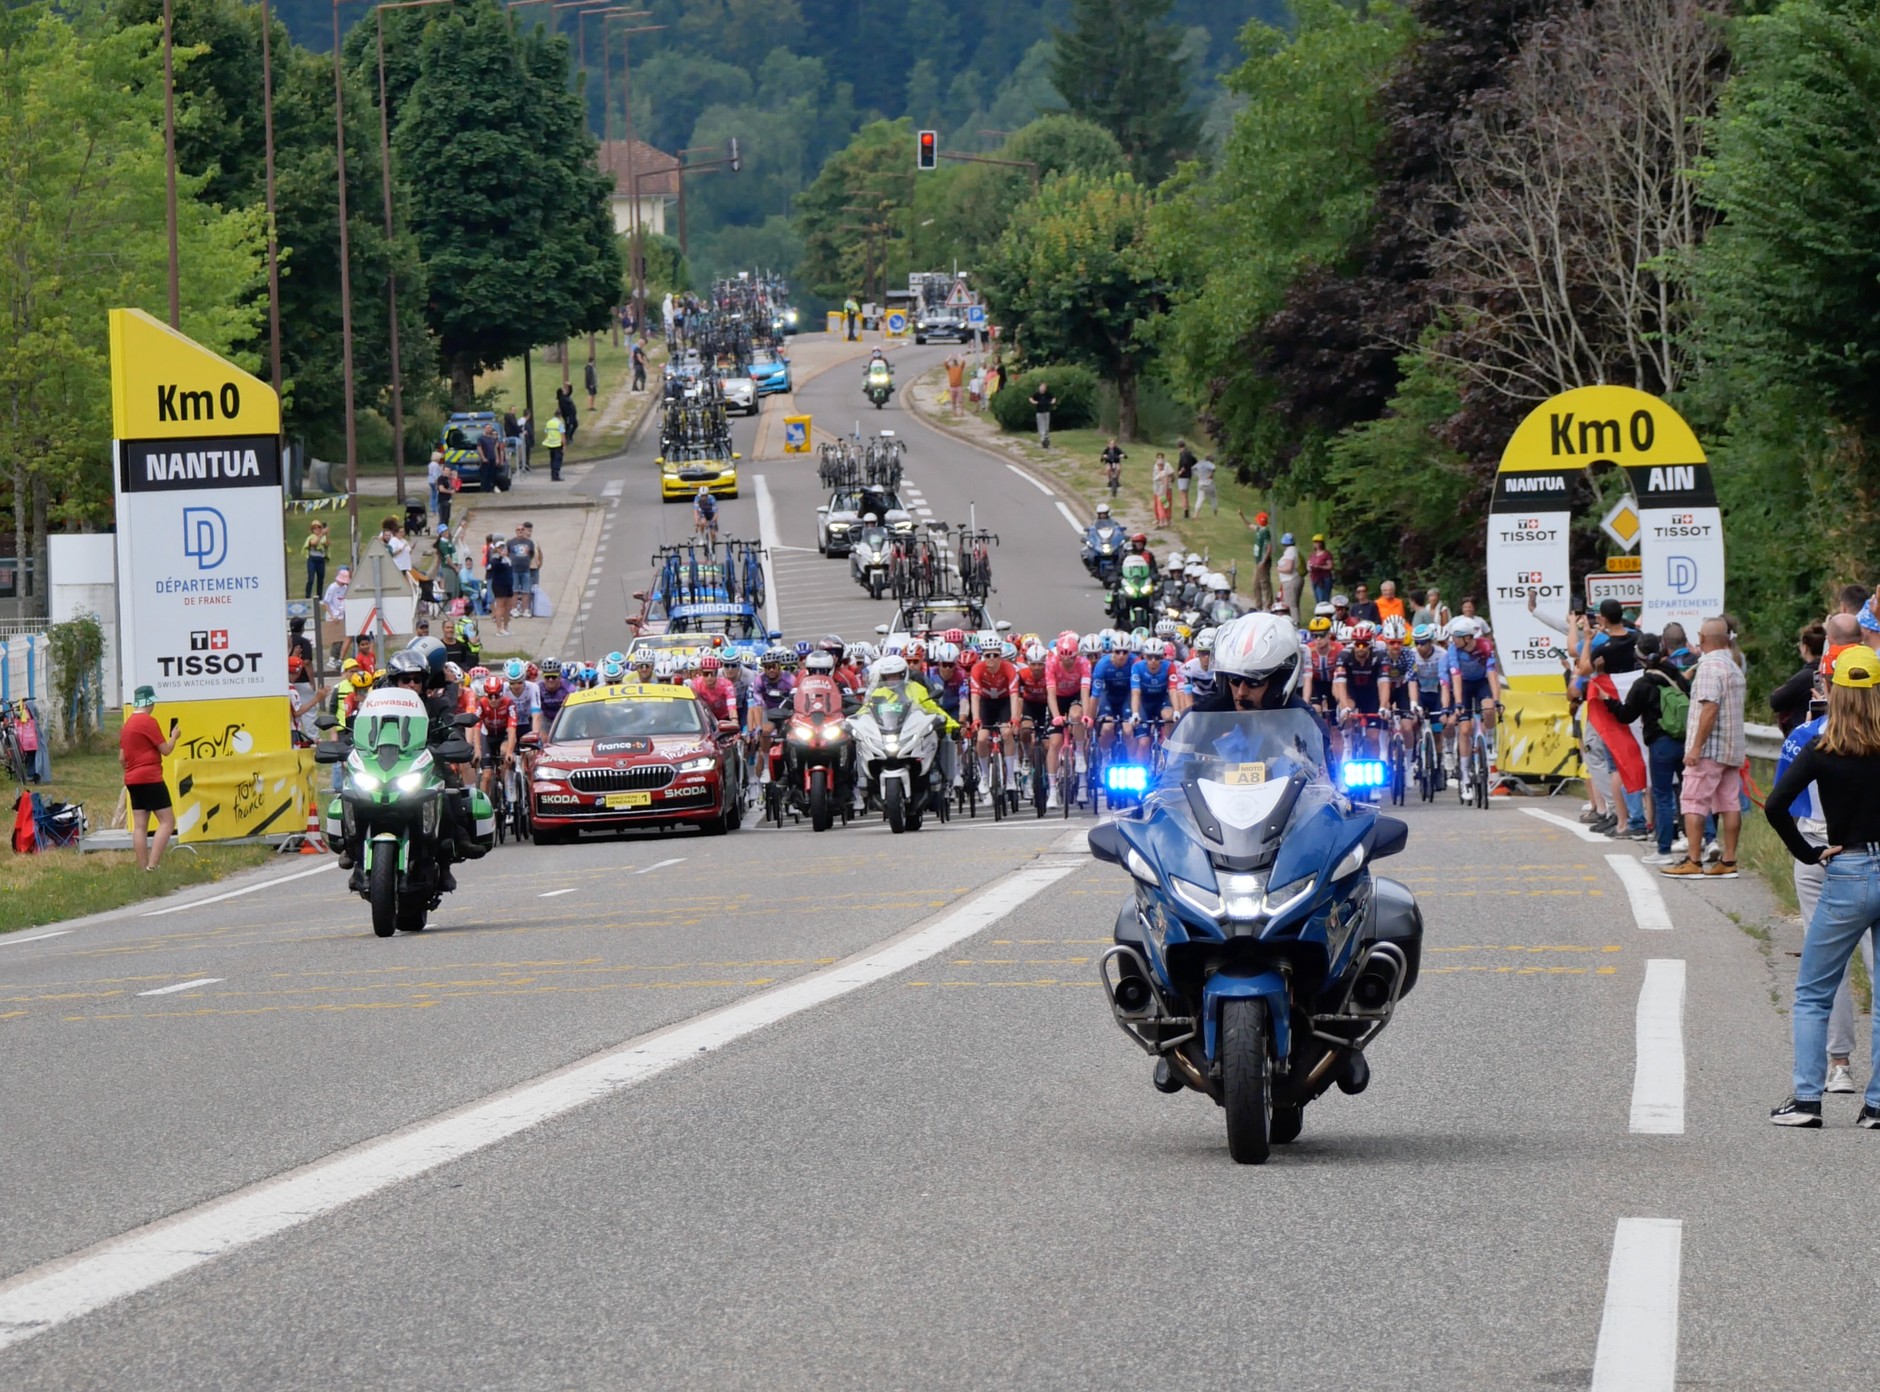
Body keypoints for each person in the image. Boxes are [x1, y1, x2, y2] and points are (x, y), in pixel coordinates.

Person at [1763, 644, 1880, 1129]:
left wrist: (1808, 853)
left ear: (1829, 690)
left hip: (1848, 868)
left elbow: (1775, 806)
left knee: (1814, 992)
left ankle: (1808, 1100)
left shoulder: (1822, 745)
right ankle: (1876, 1107)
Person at [1662, 616, 1746, 880]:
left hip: (1709, 749)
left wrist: (1695, 747)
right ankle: (1729, 860)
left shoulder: (1709, 667)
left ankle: (1694, 861)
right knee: (1729, 803)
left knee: (1694, 801)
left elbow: (1709, 707)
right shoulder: (1734, 667)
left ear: (1701, 638)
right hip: (1732, 748)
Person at [1604, 634, 1691, 866]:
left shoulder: (1643, 683)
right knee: (1692, 793)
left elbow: (1626, 715)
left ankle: (1663, 850)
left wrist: (1608, 702)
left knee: (1662, 796)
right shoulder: (1677, 676)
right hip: (1686, 741)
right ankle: (1703, 843)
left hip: (1661, 743)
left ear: (1639, 656)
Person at [120, 685, 178, 871]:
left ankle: (142, 866)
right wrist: (174, 737)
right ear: (150, 702)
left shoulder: (127, 725)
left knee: (140, 826)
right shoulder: (148, 722)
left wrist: (129, 771)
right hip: (150, 777)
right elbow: (166, 750)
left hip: (132, 779)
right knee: (167, 821)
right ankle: (153, 865)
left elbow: (122, 757)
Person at [1768, 621, 1828, 735]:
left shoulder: (1804, 676)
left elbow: (1775, 701)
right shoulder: (1830, 672)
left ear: (1805, 648)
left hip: (1804, 734)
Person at [505, 523, 538, 620]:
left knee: (526, 590)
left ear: (524, 531)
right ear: (516, 531)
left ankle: (525, 609)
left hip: (525, 569)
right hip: (514, 569)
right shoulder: (511, 542)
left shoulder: (529, 542)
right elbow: (507, 553)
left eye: (522, 529)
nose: (520, 531)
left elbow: (531, 554)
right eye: (518, 530)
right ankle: (514, 609)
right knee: (514, 590)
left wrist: (526, 561)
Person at [487, 541, 515, 636]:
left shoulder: (508, 559)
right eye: (500, 547)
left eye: (503, 547)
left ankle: (506, 627)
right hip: (499, 585)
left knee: (508, 607)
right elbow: (493, 566)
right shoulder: (495, 559)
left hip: (508, 585)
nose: (502, 549)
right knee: (500, 607)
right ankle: (499, 628)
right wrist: (500, 556)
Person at [322, 567, 350, 661]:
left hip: (341, 615)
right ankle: (333, 658)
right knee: (336, 640)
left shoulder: (345, 588)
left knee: (342, 639)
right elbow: (326, 602)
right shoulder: (332, 587)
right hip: (333, 616)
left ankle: (338, 658)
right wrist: (332, 615)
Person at [1276, 532, 1300, 621]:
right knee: (1293, 604)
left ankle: (1294, 622)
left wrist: (1279, 568)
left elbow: (1289, 568)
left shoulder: (1290, 551)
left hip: (1290, 580)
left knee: (1291, 605)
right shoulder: (1292, 550)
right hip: (1290, 580)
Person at [303, 520, 329, 600]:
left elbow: (327, 544)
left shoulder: (323, 537)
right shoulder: (311, 537)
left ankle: (319, 597)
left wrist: (327, 534)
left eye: (319, 527)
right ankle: (307, 596)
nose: (317, 529)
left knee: (320, 579)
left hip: (321, 560)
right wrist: (321, 534)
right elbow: (313, 543)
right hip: (312, 560)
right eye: (315, 528)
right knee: (311, 579)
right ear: (312, 530)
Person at [1307, 534, 1334, 605]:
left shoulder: (1326, 554)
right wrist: (1310, 567)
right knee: (1317, 599)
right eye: (1315, 542)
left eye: (1318, 542)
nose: (1316, 544)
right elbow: (1309, 564)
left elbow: (1330, 566)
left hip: (1324, 578)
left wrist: (1320, 567)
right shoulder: (1312, 554)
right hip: (1314, 578)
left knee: (1323, 599)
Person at [541, 408, 566, 482]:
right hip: (558, 444)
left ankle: (552, 475)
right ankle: (556, 476)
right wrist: (564, 445)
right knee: (557, 460)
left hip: (550, 443)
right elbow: (562, 435)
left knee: (552, 459)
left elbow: (546, 431)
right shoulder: (559, 423)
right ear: (560, 415)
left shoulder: (549, 422)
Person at [1029, 380, 1055, 449]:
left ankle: (1046, 438)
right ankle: (1043, 438)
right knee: (1041, 425)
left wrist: (1052, 401)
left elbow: (1053, 398)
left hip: (1046, 411)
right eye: (1042, 387)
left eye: (1044, 387)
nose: (1043, 388)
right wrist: (1034, 402)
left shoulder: (1048, 394)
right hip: (1039, 412)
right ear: (1039, 387)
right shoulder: (1037, 394)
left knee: (1046, 425)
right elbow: (1031, 398)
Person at [1150, 454, 1173, 526]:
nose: (1159, 466)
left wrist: (1164, 493)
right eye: (1158, 465)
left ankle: (1163, 521)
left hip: (1162, 492)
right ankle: (1162, 520)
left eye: (1161, 465)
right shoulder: (1158, 470)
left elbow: (1165, 483)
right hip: (1158, 491)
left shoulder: (1164, 472)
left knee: (1162, 507)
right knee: (1162, 506)